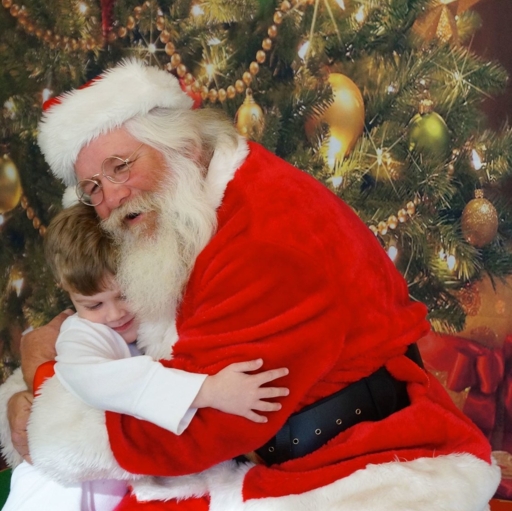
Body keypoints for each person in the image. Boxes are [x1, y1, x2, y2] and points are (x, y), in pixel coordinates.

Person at [0, 58, 501, 510]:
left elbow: (203, 426)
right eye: (92, 188)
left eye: (122, 166)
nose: (111, 196)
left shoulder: (263, 234)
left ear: (185, 147)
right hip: (269, 448)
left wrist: (50, 414)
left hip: (351, 465)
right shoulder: (192, 213)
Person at [1, 202, 289, 511]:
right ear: (68, 293)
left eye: (125, 294)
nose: (114, 314)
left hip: (117, 479)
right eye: (94, 305)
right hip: (58, 485)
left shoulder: (164, 315)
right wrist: (210, 391)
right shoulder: (81, 334)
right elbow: (107, 383)